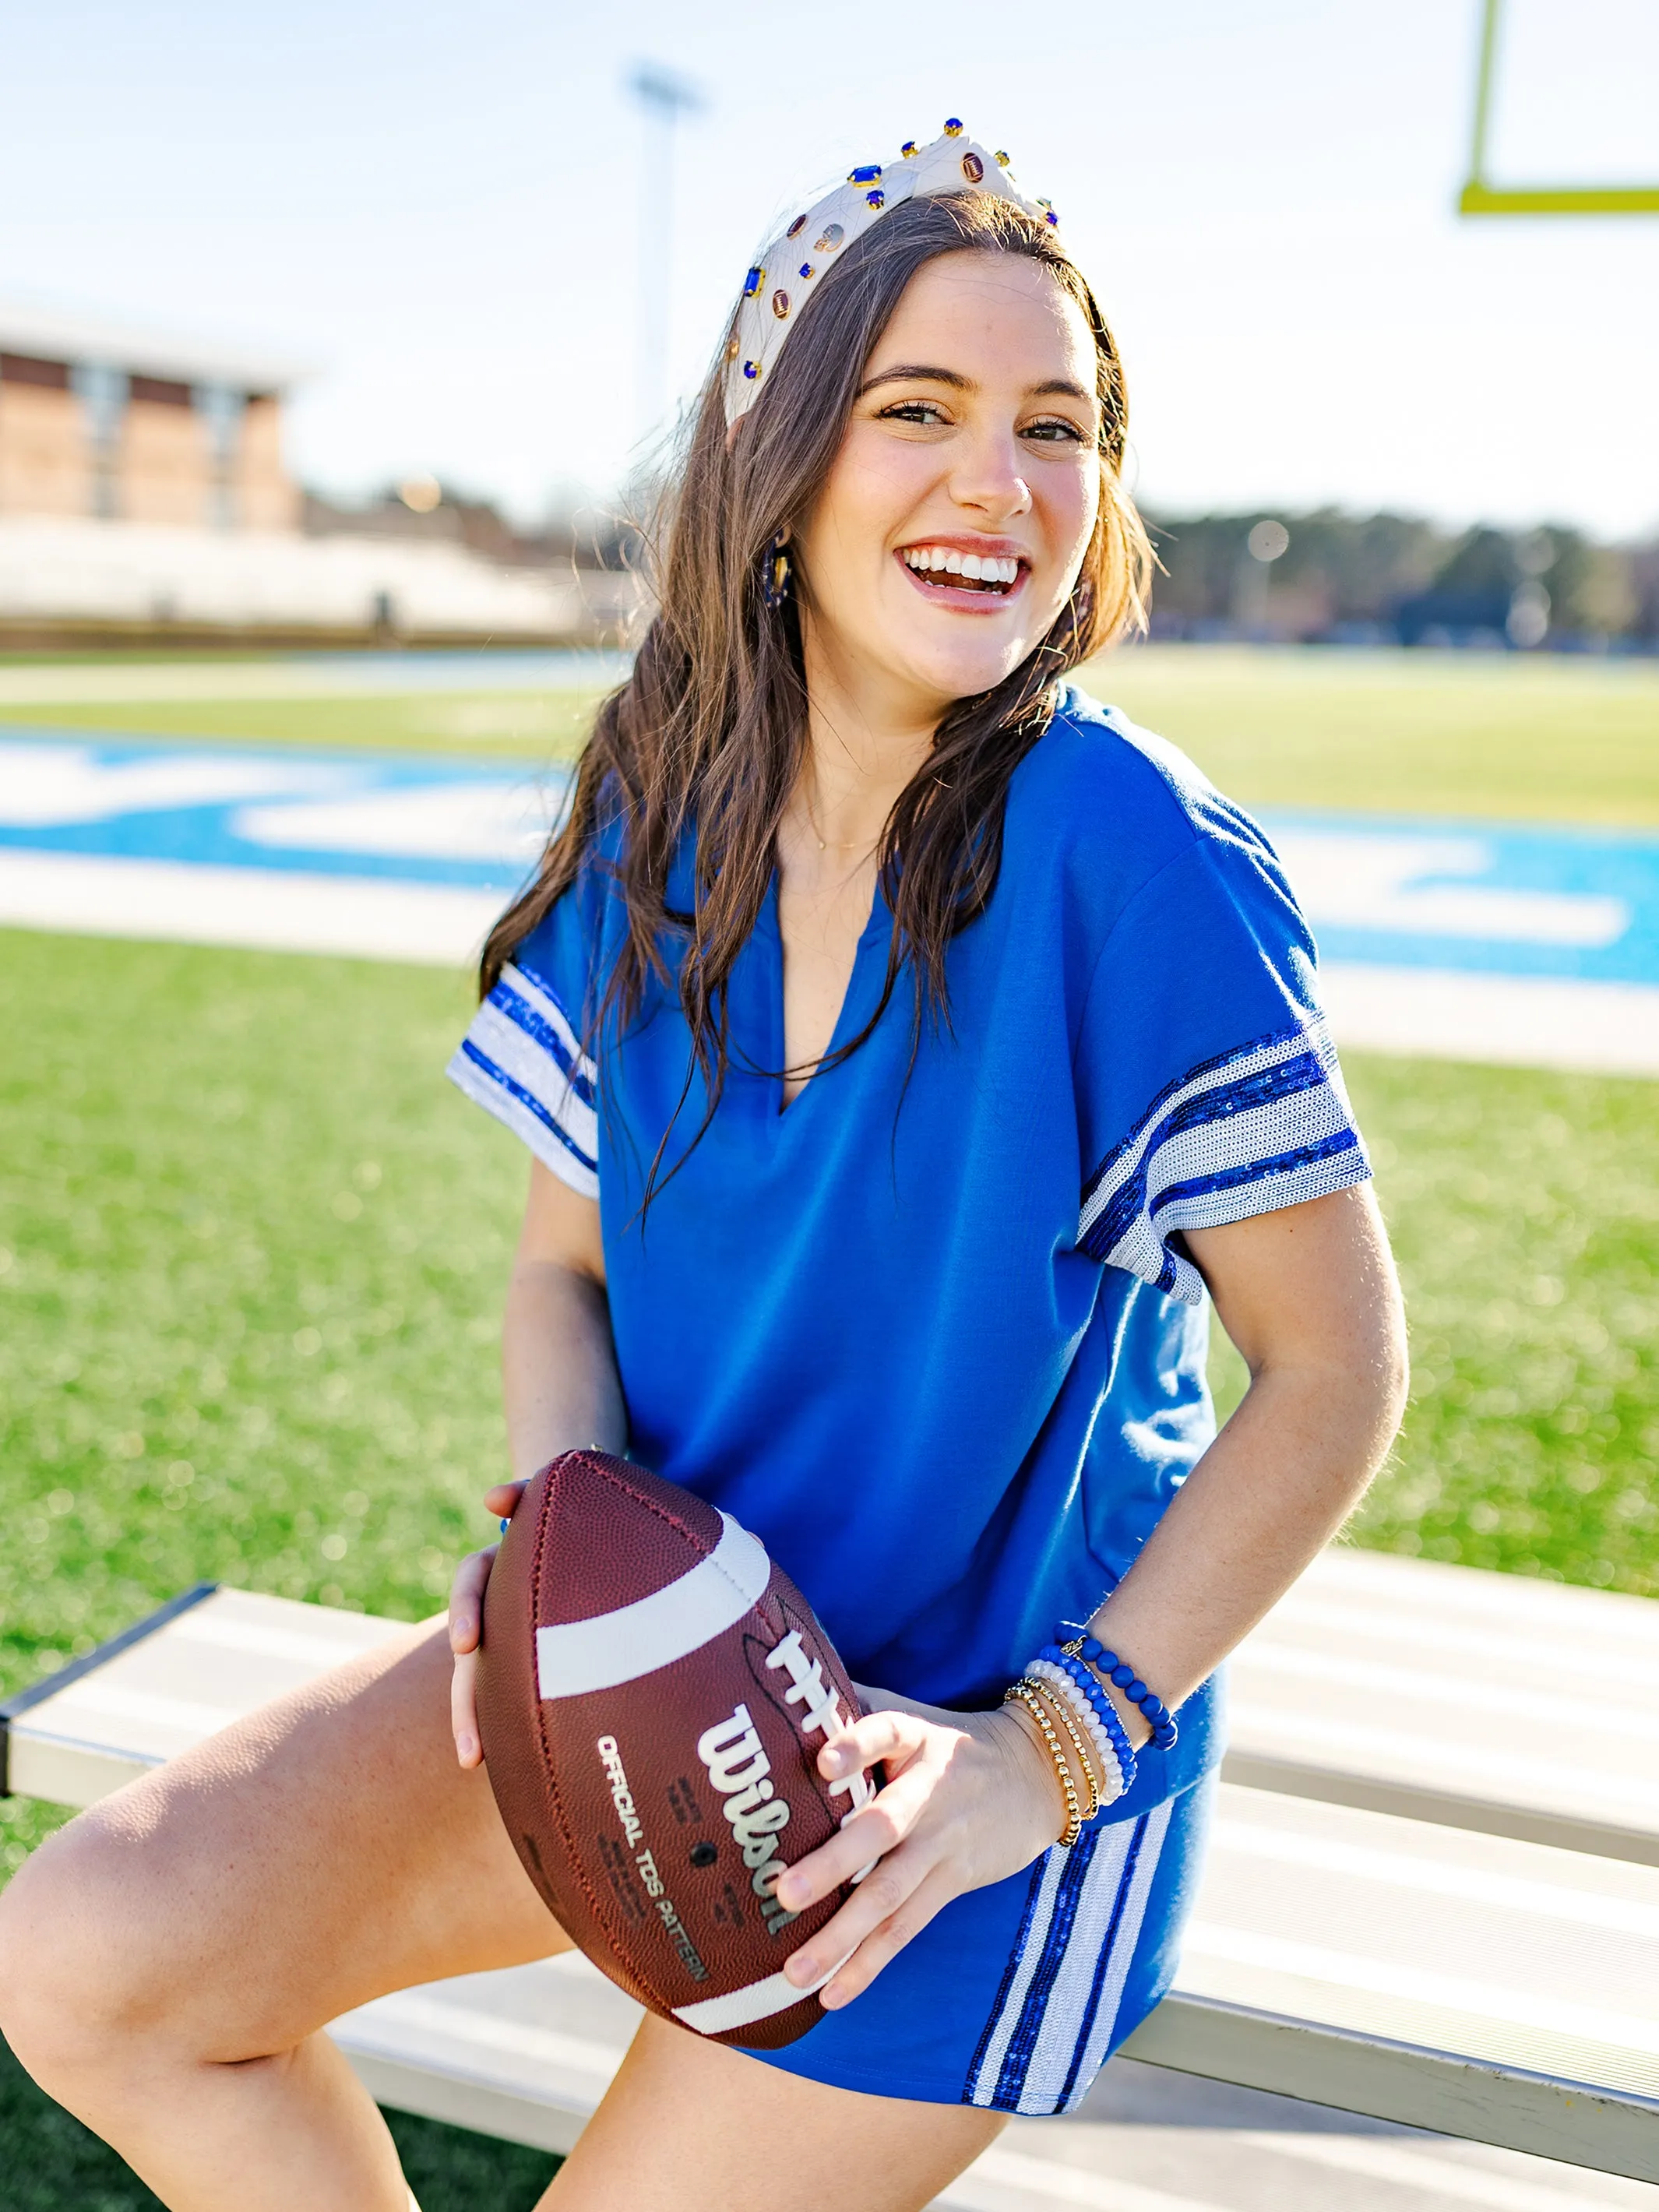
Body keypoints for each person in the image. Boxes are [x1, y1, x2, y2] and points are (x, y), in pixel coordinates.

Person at [0, 125, 1407, 2212]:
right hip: (655, 1670)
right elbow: (561, 1273)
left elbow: (1338, 1369)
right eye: (911, 411)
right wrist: (546, 1537)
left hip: (942, 1785)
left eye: (1059, 426)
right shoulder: (667, 815)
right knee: (86, 1962)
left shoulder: (1130, 851)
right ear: (781, 464)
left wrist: (1050, 1754)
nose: (996, 484)